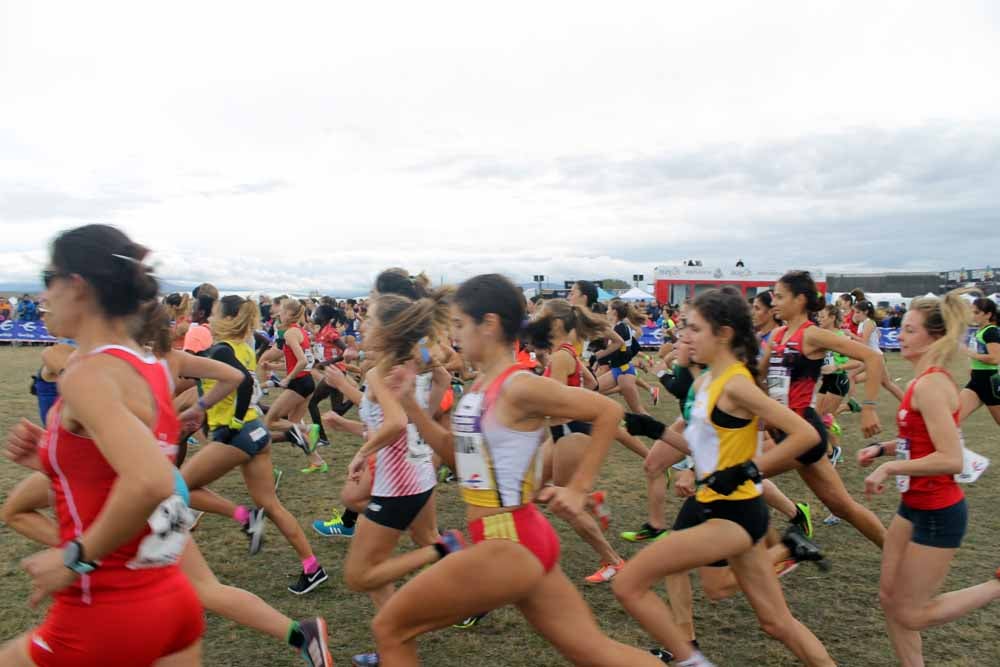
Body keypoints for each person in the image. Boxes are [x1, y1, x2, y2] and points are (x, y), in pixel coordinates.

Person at [368, 274, 666, 666]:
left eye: (459, 325)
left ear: (488, 324)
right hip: (518, 539)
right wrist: (410, 405)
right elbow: (459, 459)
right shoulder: (479, 387)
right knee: (593, 651)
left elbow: (608, 411)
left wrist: (578, 488)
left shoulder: (517, 385)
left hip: (508, 542)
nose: (453, 337)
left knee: (390, 628)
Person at [0, 224, 204, 666]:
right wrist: (52, 458)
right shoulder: (148, 366)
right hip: (170, 599)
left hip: (105, 609)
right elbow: (128, 464)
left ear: (77, 286)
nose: (41, 297)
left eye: (45, 280)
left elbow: (150, 480)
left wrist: (73, 555)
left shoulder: (87, 373)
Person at [612, 287, 835, 667]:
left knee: (628, 582)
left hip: (736, 511)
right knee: (773, 620)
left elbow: (806, 435)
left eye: (695, 329)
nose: (686, 336)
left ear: (724, 333)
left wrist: (751, 468)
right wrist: (654, 429)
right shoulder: (705, 382)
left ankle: (690, 660)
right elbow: (703, 451)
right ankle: (789, 549)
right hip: (710, 504)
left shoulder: (736, 383)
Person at [858, 291, 1000, 665]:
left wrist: (889, 467)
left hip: (939, 513)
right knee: (890, 599)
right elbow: (919, 442)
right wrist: (883, 450)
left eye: (909, 329)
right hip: (912, 507)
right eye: (901, 328)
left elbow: (951, 458)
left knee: (912, 613)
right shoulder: (923, 382)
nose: (900, 335)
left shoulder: (931, 385)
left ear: (933, 338)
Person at [180, 295, 329, 595]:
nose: (212, 316)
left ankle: (244, 516)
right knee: (271, 504)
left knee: (175, 488)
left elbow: (243, 384)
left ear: (227, 317)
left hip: (237, 433)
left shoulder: (221, 350)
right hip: (255, 431)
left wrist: (230, 422)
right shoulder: (242, 348)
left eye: (217, 312)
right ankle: (312, 568)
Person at [763, 271, 888, 548]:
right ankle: (897, 556)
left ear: (800, 299)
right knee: (843, 507)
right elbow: (757, 379)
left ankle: (780, 554)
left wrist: (868, 407)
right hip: (783, 430)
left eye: (780, 296)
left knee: (739, 477)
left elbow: (872, 356)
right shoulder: (777, 334)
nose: (775, 302)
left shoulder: (813, 335)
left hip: (803, 432)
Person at [959, 297, 1000, 426]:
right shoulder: (979, 331)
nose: (972, 315)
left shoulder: (991, 331)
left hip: (989, 381)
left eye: (976, 313)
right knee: (952, 417)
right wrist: (972, 366)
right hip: (976, 381)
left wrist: (970, 353)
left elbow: (995, 358)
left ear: (988, 315)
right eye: (972, 312)